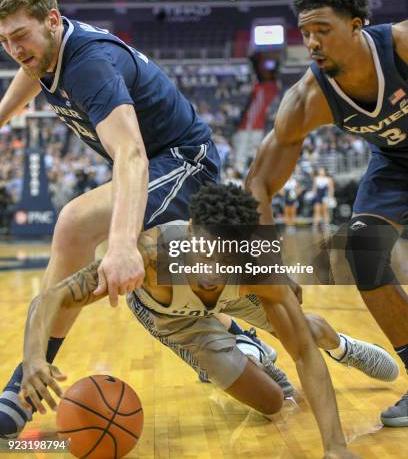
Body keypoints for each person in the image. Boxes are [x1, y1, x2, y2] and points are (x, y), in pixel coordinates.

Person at [19, 184, 396, 458]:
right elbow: (53, 296)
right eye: (205, 253)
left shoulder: (257, 267)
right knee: (273, 403)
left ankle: (344, 347)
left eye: (226, 258)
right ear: (192, 231)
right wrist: (35, 358)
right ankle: (247, 345)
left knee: (307, 333)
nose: (214, 269)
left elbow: (304, 357)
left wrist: (335, 447)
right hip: (173, 317)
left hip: (241, 299)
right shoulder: (150, 255)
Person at [0, 0, 221, 437]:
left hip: (187, 162)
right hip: (161, 162)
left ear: (53, 21)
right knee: (147, 264)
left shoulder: (88, 65)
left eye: (20, 36)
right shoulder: (45, 54)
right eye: (4, 40)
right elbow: (27, 73)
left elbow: (132, 154)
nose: (14, 49)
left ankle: (26, 378)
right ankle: (238, 336)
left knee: (76, 224)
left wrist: (119, 245)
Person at [246, 0, 408, 426]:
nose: (312, 43)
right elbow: (258, 182)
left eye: (323, 31)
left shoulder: (402, 46)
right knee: (361, 251)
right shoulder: (308, 99)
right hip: (395, 164)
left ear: (358, 25)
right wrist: (268, 265)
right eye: (306, 34)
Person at [312, 167, 335, 232]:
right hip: (318, 197)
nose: (321, 172)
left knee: (325, 211)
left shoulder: (328, 179)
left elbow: (331, 189)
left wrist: (331, 197)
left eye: (322, 170)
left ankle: (326, 226)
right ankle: (315, 226)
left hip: (325, 196)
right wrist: (314, 196)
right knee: (317, 211)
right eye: (320, 170)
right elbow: (314, 188)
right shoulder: (316, 179)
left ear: (325, 171)